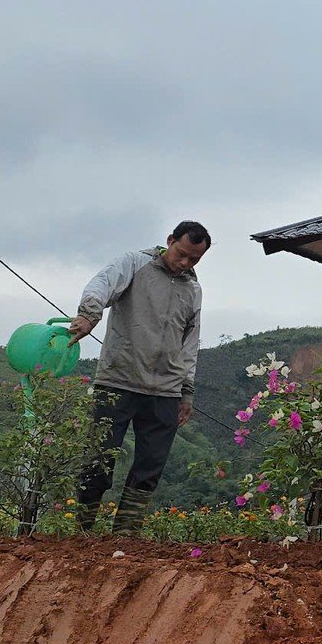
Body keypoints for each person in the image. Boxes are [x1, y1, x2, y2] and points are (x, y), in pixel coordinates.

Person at [67, 221, 210, 533]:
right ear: (170, 240)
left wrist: (187, 391)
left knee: (150, 466)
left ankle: (126, 534)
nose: (185, 263)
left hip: (166, 389)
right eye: (182, 254)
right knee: (99, 459)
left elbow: (190, 343)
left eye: (194, 259)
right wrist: (89, 314)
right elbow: (100, 284)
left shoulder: (192, 289)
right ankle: (81, 531)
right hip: (118, 379)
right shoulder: (135, 264)